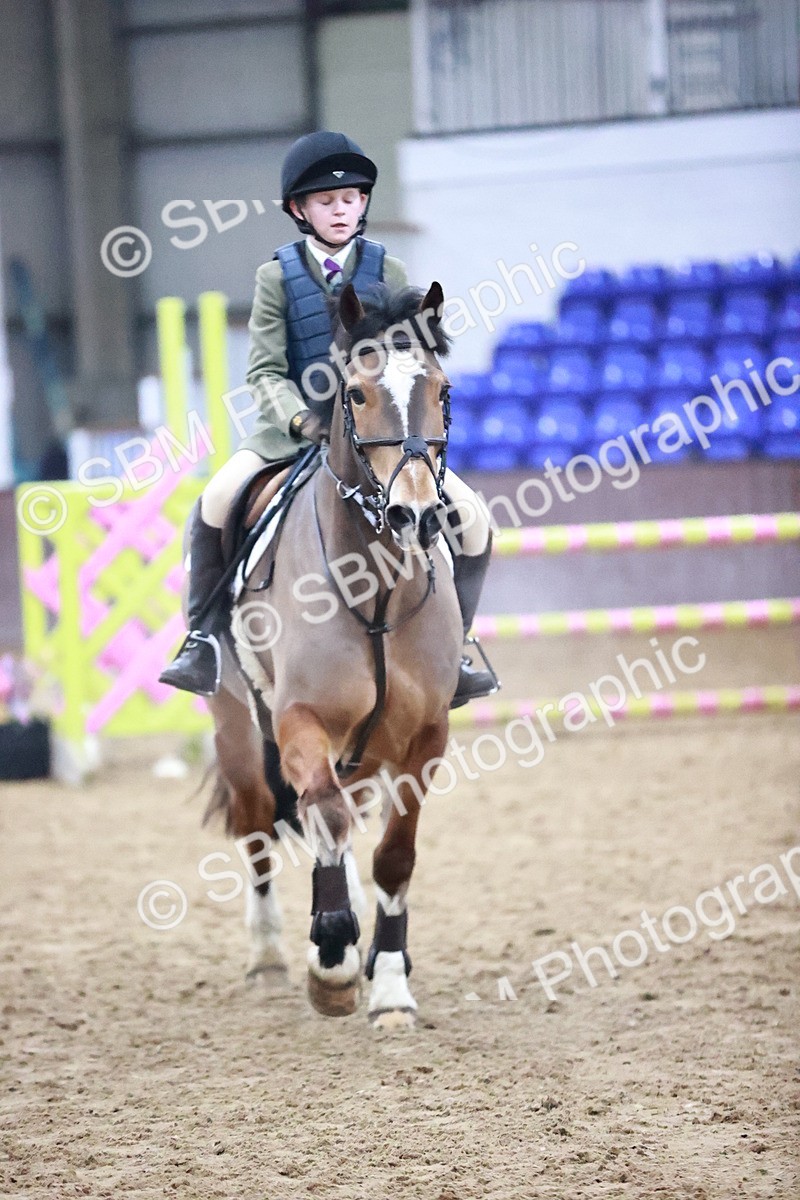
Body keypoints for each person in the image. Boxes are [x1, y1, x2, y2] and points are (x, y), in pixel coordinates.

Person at [160, 131, 496, 705]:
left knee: (474, 517)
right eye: (324, 202)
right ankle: (203, 639)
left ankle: (456, 645)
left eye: (349, 200)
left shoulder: (387, 266)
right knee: (215, 501)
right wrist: (302, 422)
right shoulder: (276, 277)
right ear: (299, 210)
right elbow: (264, 372)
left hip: (377, 439)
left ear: (363, 204)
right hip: (290, 435)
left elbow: (406, 358)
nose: (339, 210)